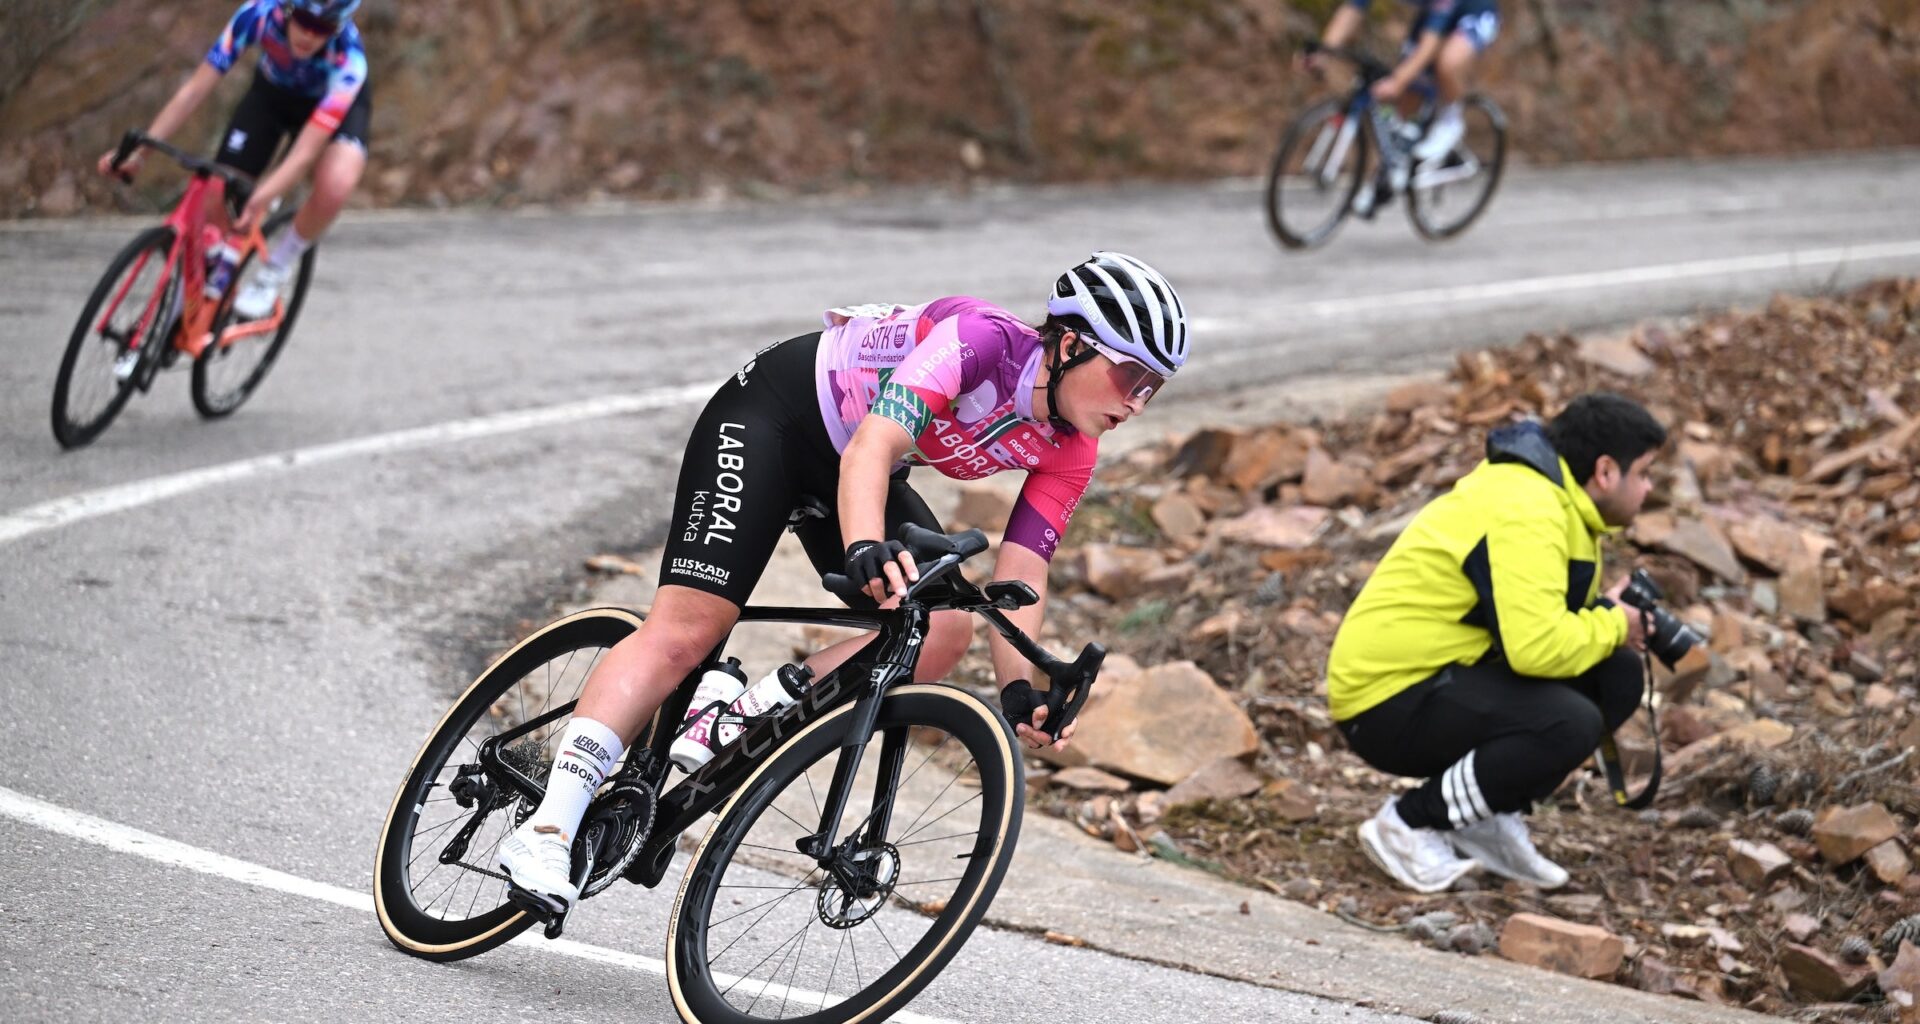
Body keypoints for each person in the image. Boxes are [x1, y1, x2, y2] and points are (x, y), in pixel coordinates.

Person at [495, 252, 1192, 916]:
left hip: (852, 470)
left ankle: (744, 711)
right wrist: (863, 545)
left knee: (942, 629)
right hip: (775, 418)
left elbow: (1023, 568)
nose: (1138, 402)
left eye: (1154, 390)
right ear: (1070, 345)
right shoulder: (982, 341)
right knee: (688, 629)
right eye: (1133, 378)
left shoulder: (1072, 446)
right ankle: (548, 831)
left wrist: (1022, 688)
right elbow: (875, 444)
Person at [1325, 393, 1666, 893]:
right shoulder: (1527, 507)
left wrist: (1606, 618)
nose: (1649, 488)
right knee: (1568, 722)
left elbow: (1537, 626)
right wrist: (1615, 622)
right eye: (1646, 473)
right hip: (1383, 700)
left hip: (1441, 672)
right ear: (1607, 471)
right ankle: (1409, 823)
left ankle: (1482, 815)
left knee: (1615, 675)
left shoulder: (1559, 504)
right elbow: (1536, 649)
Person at [97, 0, 369, 321]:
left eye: (324, 27)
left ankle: (277, 267)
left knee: (336, 184)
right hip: (272, 95)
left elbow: (304, 154)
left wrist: (264, 197)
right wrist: (139, 154)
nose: (309, 35)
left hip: (329, 109)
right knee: (217, 193)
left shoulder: (350, 60)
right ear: (286, 8)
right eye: (304, 19)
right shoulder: (257, 14)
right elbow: (193, 92)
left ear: (339, 26)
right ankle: (194, 293)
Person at [1304, 0, 1501, 163]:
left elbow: (1429, 46)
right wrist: (1324, 51)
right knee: (1407, 99)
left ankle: (1451, 119)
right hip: (1432, 13)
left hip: (1473, 11)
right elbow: (1352, 9)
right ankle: (1396, 169)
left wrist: (1398, 81)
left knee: (1447, 63)